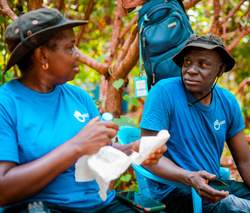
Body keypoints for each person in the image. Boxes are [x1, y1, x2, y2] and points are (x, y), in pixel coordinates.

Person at [0, 8, 166, 212]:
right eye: (70, 48)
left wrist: (132, 150)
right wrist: (76, 146)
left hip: (101, 206)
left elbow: (98, 155)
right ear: (42, 54)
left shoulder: (79, 97)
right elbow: (3, 189)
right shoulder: (6, 104)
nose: (77, 54)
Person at [139, 33, 250, 213]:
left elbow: (245, 161)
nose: (191, 70)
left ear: (220, 70)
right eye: (187, 62)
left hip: (214, 186)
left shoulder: (227, 101)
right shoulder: (163, 92)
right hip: (176, 192)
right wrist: (190, 177)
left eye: (203, 64)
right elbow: (148, 156)